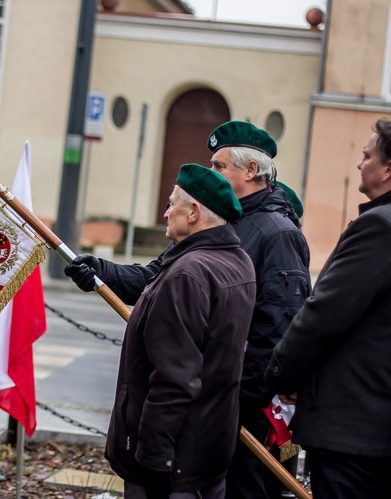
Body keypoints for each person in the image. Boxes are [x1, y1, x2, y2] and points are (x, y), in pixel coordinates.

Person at [66, 121, 311, 499]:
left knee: (244, 491)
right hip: (206, 406)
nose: (210, 172)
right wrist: (102, 272)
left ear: (250, 171)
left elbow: (279, 326)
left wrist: (239, 397)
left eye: (219, 166)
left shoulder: (277, 232)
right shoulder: (219, 221)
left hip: (237, 406)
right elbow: (156, 276)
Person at [103, 163, 256, 498]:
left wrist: (153, 459)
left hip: (174, 465)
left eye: (173, 203)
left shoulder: (189, 273)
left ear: (194, 212)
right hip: (205, 451)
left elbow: (174, 379)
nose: (166, 211)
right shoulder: (235, 260)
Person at [266, 117, 391, 499]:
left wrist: (280, 376)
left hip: (354, 430)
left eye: (367, 156)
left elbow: (325, 315)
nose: (360, 164)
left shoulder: (379, 228)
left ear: (388, 170)